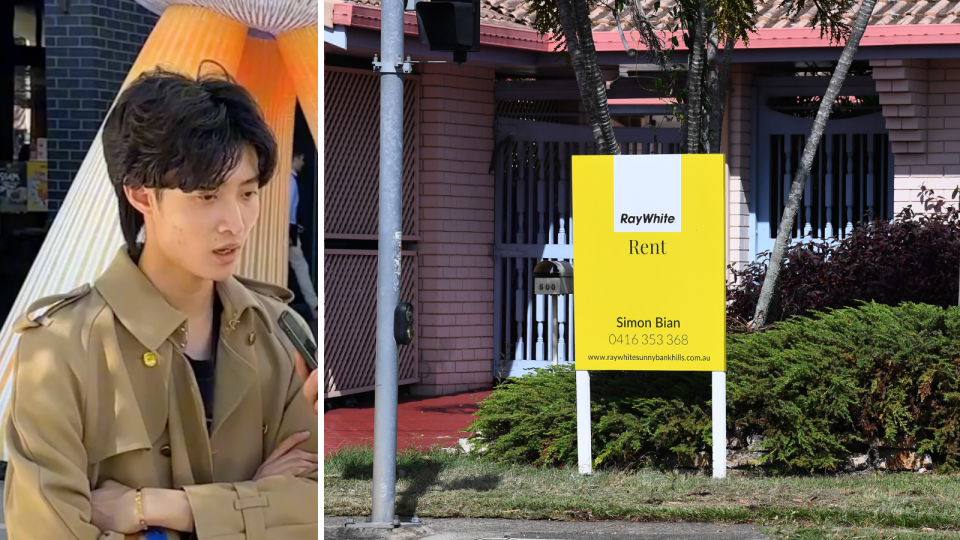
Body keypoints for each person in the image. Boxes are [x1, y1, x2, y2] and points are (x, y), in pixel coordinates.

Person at [3, 69, 319, 539]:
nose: (235, 222)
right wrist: (256, 502)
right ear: (141, 194)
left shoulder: (282, 334)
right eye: (207, 196)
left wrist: (161, 509)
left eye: (248, 193)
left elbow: (317, 509)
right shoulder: (60, 349)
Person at [288, 152, 318, 320]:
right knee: (300, 267)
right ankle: (314, 305)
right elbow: (286, 210)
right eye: (301, 159)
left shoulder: (288, 180)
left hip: (288, 229)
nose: (303, 163)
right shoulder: (290, 182)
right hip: (288, 231)